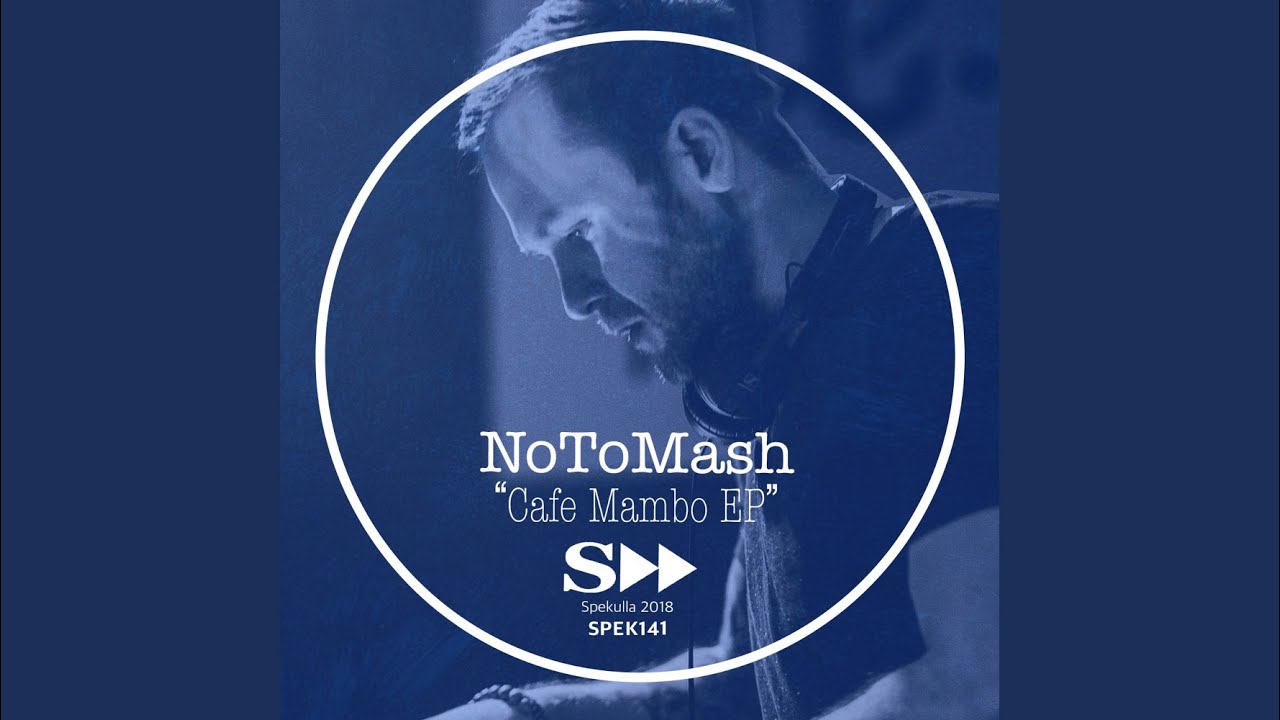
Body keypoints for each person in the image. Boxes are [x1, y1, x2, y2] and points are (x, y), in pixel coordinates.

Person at [430, 1, 998, 718]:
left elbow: (974, 680)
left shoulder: (966, 285)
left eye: (576, 231)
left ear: (700, 150)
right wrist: (520, 714)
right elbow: (741, 682)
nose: (573, 297)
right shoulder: (784, 364)